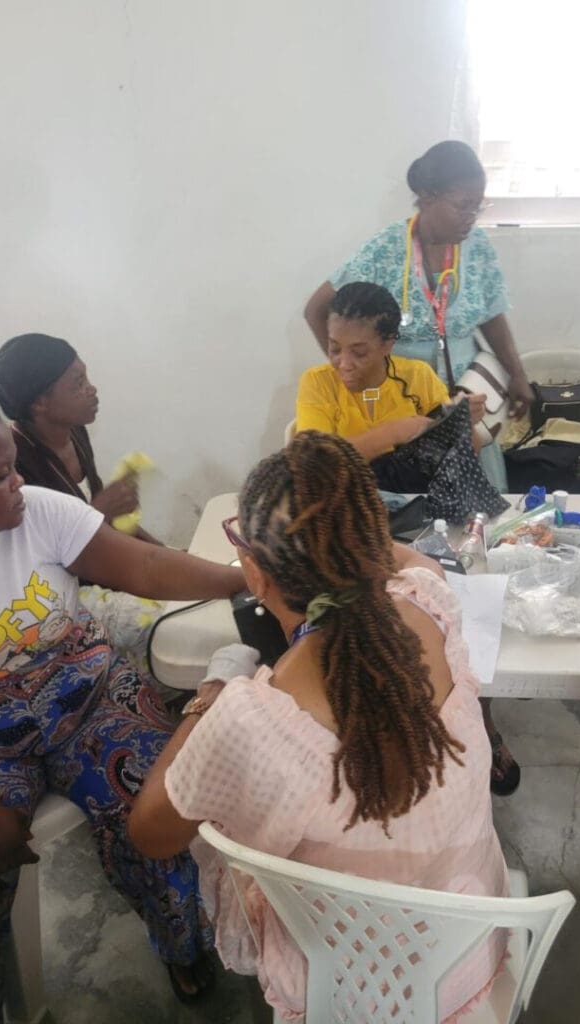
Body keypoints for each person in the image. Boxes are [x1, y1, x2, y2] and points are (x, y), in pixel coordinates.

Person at [128, 431, 511, 1022]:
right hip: (465, 961)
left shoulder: (251, 717)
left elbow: (151, 835)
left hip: (347, 990)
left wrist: (212, 693)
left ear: (255, 574)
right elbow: (407, 561)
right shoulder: (432, 600)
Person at [0, 388, 246, 1022]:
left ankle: (183, 945)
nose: (18, 485)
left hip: (88, 699)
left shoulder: (38, 513)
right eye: (1, 475)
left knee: (164, 808)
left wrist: (244, 573)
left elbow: (143, 567)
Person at [303, 139, 533, 492]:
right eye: (463, 206)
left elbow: (491, 315)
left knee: (467, 493)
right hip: (402, 396)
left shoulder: (478, 247)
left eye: (478, 207)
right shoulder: (386, 248)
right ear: (428, 198)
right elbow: (317, 309)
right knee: (407, 488)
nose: (472, 217)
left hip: (463, 394)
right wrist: (350, 368)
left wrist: (517, 374)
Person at [0, 332, 161, 669]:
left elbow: (105, 526)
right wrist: (100, 511)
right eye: (78, 383)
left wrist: (166, 552)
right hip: (65, 597)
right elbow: (44, 561)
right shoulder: (17, 464)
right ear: (41, 402)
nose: (92, 389)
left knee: (185, 588)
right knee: (167, 622)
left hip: (99, 567)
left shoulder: (74, 432)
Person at [296, 280, 509, 526]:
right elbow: (314, 465)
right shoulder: (318, 383)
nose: (344, 363)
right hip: (346, 516)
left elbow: (462, 459)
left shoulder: (418, 377)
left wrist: (463, 423)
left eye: (359, 352)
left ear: (388, 344)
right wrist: (393, 433)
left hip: (419, 515)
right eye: (335, 349)